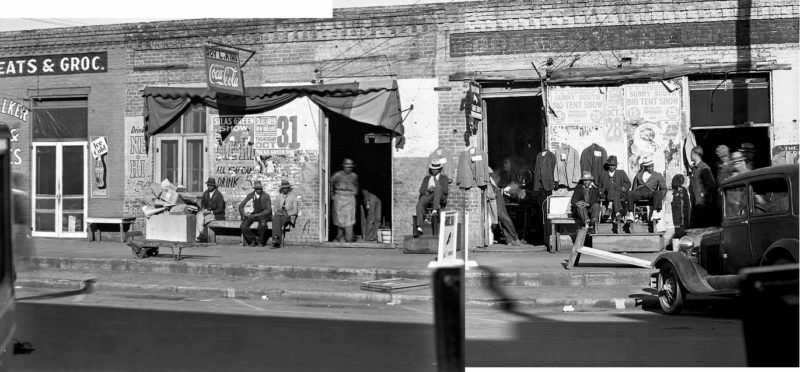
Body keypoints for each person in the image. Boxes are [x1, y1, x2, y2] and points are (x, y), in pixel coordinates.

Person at [414, 160, 449, 237]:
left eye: (435, 169)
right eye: (432, 169)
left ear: (439, 169)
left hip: (440, 195)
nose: (434, 170)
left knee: (438, 188)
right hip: (429, 195)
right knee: (419, 204)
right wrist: (427, 190)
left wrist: (436, 187)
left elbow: (446, 191)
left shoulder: (444, 178)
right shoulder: (427, 178)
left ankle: (434, 210)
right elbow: (421, 190)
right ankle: (419, 227)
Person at [596, 155, 630, 233]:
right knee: (612, 188)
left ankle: (610, 206)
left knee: (616, 190)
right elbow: (599, 187)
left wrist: (623, 188)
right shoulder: (603, 174)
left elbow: (628, 183)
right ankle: (618, 213)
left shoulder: (621, 173)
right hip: (606, 194)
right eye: (610, 165)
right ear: (608, 165)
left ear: (616, 165)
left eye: (614, 165)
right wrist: (601, 192)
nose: (612, 167)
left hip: (620, 193)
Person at [490, 168, 521, 246]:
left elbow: (495, 190)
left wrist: (503, 190)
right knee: (503, 219)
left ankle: (513, 239)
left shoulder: (490, 180)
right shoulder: (489, 180)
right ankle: (511, 239)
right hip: (495, 199)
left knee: (504, 218)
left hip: (497, 199)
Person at [330, 158, 359, 242]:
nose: (348, 167)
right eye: (347, 165)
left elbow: (356, 185)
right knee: (339, 218)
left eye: (350, 166)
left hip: (350, 197)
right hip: (339, 197)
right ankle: (340, 236)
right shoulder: (337, 175)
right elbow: (330, 184)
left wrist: (354, 192)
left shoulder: (354, 176)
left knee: (349, 218)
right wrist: (332, 195)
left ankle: (348, 237)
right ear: (343, 166)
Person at [689, 146, 717, 228]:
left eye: (691, 154)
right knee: (696, 225)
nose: (690, 156)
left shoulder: (704, 168)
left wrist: (703, 194)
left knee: (703, 226)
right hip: (695, 203)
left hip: (703, 204)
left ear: (696, 154)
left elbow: (711, 184)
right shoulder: (694, 168)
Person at [238, 181, 272, 247]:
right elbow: (241, 206)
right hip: (252, 215)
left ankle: (260, 241)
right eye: (257, 189)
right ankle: (253, 240)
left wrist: (258, 214)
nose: (259, 190)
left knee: (263, 225)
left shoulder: (266, 196)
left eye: (260, 189)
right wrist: (244, 214)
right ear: (255, 189)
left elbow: (268, 210)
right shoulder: (250, 195)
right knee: (243, 226)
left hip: (263, 215)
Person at [196, 178, 226, 242]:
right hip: (207, 212)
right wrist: (204, 208)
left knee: (205, 219)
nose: (210, 187)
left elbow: (220, 209)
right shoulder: (205, 193)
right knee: (199, 216)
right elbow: (203, 203)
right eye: (208, 185)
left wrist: (211, 211)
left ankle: (203, 236)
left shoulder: (218, 195)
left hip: (216, 215)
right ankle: (202, 234)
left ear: (214, 186)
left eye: (211, 185)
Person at [271, 179, 298, 249]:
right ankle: (276, 239)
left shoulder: (293, 197)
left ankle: (276, 239)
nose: (285, 189)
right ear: (282, 189)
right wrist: (278, 211)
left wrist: (286, 213)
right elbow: (275, 208)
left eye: (287, 188)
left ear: (289, 188)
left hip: (288, 216)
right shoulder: (278, 197)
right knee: (277, 217)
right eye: (284, 188)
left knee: (276, 219)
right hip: (280, 215)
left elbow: (295, 211)